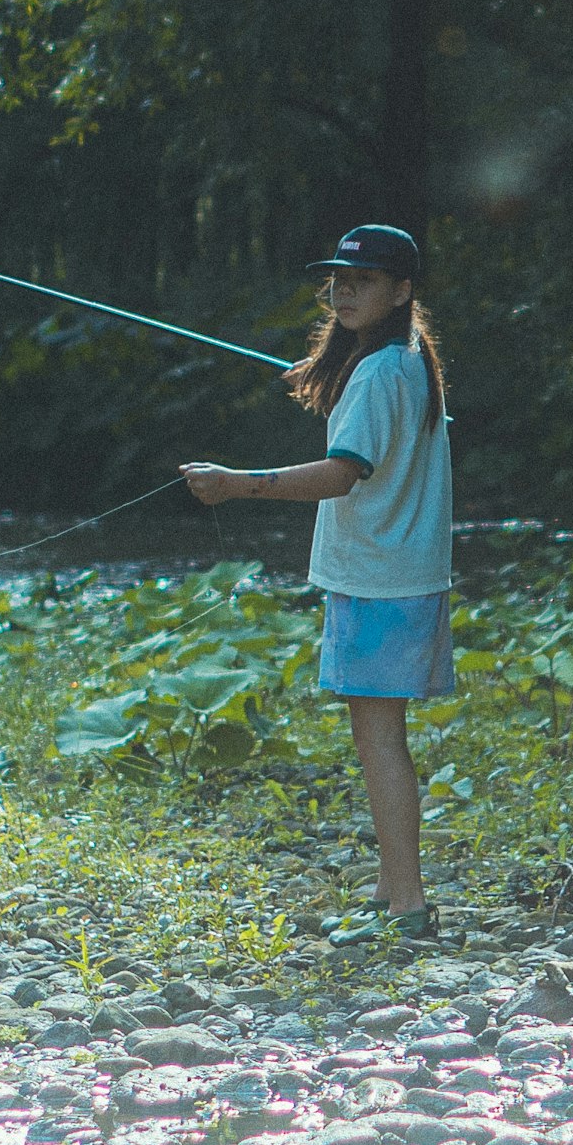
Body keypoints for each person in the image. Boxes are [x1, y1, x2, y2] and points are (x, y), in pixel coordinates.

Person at [182, 225, 456, 943]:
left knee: (379, 743)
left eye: (364, 281)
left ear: (402, 292)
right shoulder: (405, 364)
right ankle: (390, 890)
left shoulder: (378, 373)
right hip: (400, 578)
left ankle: (408, 910)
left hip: (379, 583)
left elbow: (341, 473)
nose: (345, 291)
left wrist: (236, 484)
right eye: (339, 279)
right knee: (380, 739)